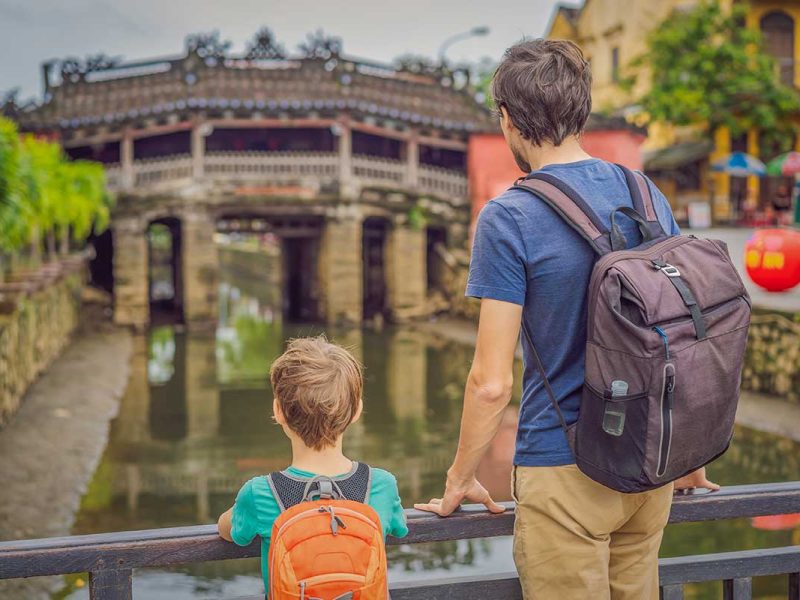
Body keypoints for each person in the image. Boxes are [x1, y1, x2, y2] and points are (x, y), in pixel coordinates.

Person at [415, 39, 719, 599]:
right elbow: (682, 338)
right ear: (580, 109)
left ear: (507, 119)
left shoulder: (509, 216)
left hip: (564, 468)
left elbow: (490, 384)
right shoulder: (644, 192)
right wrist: (689, 454)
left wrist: (461, 476)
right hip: (650, 461)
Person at [218, 336, 408, 595]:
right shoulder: (382, 485)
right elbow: (398, 525)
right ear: (356, 411)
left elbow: (228, 530)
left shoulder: (260, 493)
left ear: (278, 411)